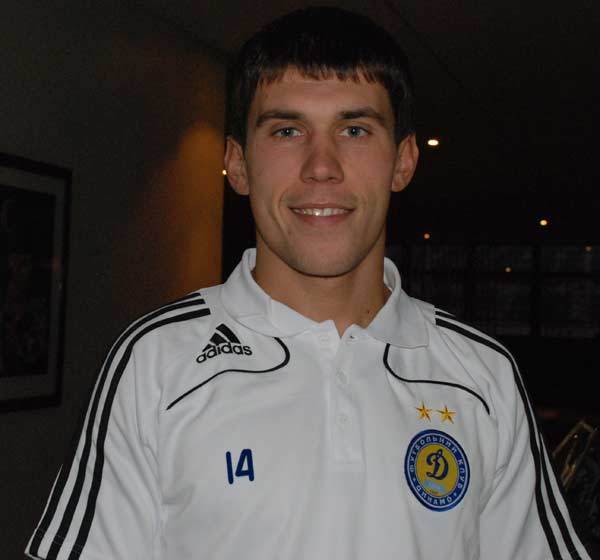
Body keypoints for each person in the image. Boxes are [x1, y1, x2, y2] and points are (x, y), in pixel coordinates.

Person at [26, 7, 591, 560]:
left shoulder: (484, 377)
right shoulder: (154, 363)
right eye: (288, 130)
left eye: (355, 129)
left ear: (403, 161)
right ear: (238, 164)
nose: (322, 166)